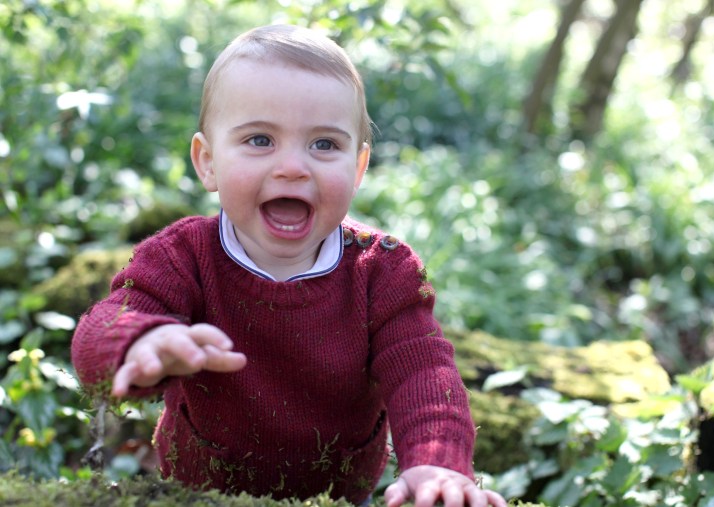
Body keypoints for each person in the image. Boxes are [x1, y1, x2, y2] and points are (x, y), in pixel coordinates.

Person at [71, 24, 506, 507]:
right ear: (208, 161)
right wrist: (140, 338)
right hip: (197, 494)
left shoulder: (381, 271)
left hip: (337, 495)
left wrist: (435, 462)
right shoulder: (181, 256)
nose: (293, 167)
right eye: (260, 140)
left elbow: (423, 372)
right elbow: (98, 332)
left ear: (358, 169)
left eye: (324, 144)